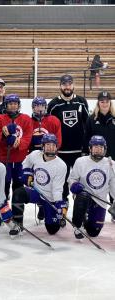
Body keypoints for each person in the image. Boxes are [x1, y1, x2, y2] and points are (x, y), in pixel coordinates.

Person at [47, 74, 89, 220]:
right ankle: (62, 211)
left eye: (69, 84)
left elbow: (87, 126)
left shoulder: (81, 102)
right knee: (61, 184)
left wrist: (86, 148)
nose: (67, 86)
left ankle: (82, 212)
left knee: (80, 183)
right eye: (64, 84)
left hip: (79, 152)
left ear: (73, 85)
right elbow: (49, 128)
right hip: (61, 152)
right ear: (60, 86)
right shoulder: (53, 104)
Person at [11, 134, 67, 235]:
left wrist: (58, 202)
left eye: (53, 145)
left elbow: (57, 188)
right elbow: (25, 163)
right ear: (43, 146)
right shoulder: (35, 154)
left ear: (56, 147)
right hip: (36, 191)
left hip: (50, 197)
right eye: (48, 144)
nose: (50, 147)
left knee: (52, 229)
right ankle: (18, 224)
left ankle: (44, 208)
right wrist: (27, 172)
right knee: (18, 193)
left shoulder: (61, 165)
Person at [68, 135, 115, 239]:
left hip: (100, 200)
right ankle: (77, 226)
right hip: (85, 196)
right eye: (95, 147)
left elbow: (113, 186)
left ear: (105, 149)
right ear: (90, 148)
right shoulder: (80, 161)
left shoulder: (111, 164)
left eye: (101, 147)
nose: (98, 150)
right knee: (83, 196)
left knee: (93, 232)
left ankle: (87, 219)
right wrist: (74, 185)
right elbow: (72, 179)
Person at [0, 94, 33, 198]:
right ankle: (4, 210)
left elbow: (28, 137)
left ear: (19, 105)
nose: (13, 106)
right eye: (10, 103)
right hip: (4, 158)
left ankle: (17, 213)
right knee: (4, 186)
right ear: (6, 105)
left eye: (15, 103)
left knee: (19, 187)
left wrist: (18, 142)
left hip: (20, 159)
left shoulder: (26, 118)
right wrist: (3, 136)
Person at [30, 96, 62, 221]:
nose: (39, 108)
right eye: (37, 106)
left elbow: (58, 140)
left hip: (50, 158)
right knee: (39, 182)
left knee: (50, 183)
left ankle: (52, 205)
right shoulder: (28, 120)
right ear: (33, 107)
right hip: (35, 158)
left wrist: (51, 152)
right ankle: (41, 206)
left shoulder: (53, 120)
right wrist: (32, 144)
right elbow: (26, 137)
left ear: (45, 107)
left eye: (42, 106)